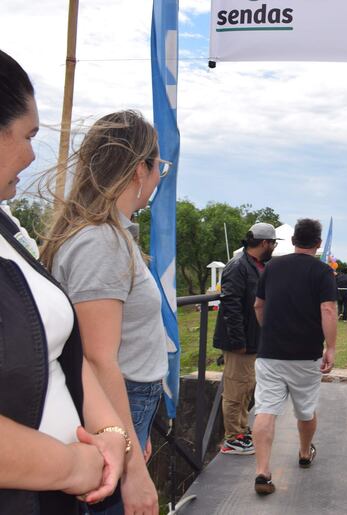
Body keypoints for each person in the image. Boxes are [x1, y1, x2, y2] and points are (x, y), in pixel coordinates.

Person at [0, 49, 127, 514]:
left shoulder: (8, 229)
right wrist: (71, 466)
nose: (34, 153)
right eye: (28, 134)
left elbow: (61, 348)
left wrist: (111, 433)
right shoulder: (101, 242)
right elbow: (99, 350)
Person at [41, 110, 169, 515]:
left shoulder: (106, 234)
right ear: (138, 171)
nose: (158, 177)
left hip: (126, 406)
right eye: (158, 166)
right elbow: (98, 359)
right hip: (118, 402)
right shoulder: (102, 241)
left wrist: (135, 429)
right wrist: (131, 467)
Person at [252, 218, 337, 495]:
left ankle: (263, 472)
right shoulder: (323, 272)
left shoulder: (272, 266)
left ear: (293, 240)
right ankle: (303, 452)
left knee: (265, 410)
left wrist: (269, 330)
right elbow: (327, 310)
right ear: (318, 243)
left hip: (270, 354)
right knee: (306, 409)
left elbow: (258, 305)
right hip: (305, 354)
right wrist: (331, 348)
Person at [213, 222, 278, 455]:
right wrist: (238, 340)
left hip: (252, 339)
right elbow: (230, 303)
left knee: (246, 385)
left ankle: (240, 429)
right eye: (272, 243)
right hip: (239, 341)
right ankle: (232, 437)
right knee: (235, 388)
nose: (273, 247)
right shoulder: (238, 266)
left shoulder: (256, 265)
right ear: (264, 243)